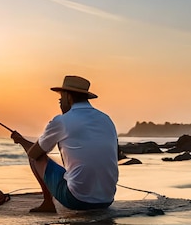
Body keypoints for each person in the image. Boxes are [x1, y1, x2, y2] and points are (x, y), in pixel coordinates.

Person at [11, 75, 119, 212]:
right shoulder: (106, 119)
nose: (60, 103)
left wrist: (20, 140)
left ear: (68, 97)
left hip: (77, 200)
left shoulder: (62, 121)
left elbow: (34, 153)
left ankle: (48, 204)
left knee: (36, 158)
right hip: (107, 200)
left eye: (60, 99)